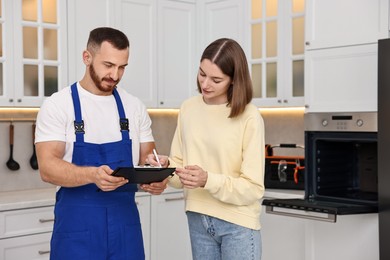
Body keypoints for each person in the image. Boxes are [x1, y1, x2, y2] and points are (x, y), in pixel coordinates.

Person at [35, 27, 168, 260]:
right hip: (77, 231)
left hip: (125, 229)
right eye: (108, 65)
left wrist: (156, 175)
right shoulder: (58, 105)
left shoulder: (134, 107)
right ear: (87, 57)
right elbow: (47, 168)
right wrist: (93, 175)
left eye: (122, 67)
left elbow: (147, 158)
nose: (115, 75)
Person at [147, 38, 265, 259]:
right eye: (202, 74)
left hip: (238, 224)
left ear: (233, 80)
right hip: (197, 218)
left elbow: (253, 188)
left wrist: (206, 180)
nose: (206, 84)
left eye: (216, 79)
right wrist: (167, 166)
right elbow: (177, 175)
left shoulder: (249, 116)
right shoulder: (188, 108)